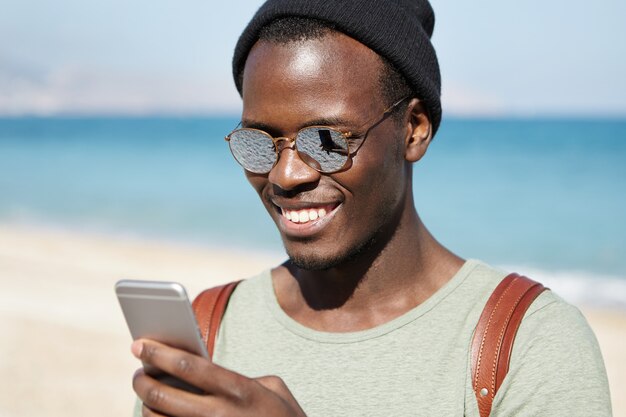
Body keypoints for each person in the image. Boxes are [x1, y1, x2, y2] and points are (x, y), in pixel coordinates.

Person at [130, 0, 612, 415]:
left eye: (327, 141)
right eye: (259, 143)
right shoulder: (212, 333)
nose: (286, 175)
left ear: (414, 130)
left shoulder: (525, 343)